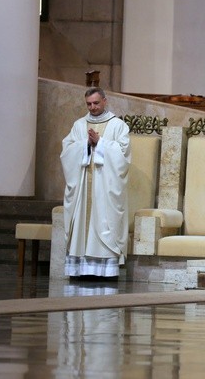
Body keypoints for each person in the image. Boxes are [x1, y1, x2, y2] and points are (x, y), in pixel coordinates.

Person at [61, 87, 130, 278]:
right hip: (83, 186)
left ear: (105, 101)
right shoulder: (79, 125)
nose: (92, 107)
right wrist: (85, 145)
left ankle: (105, 268)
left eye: (96, 103)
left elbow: (123, 154)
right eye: (89, 104)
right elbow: (67, 151)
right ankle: (80, 267)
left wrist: (101, 143)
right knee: (82, 220)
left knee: (104, 220)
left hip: (105, 186)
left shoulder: (117, 125)